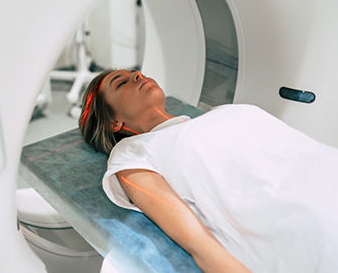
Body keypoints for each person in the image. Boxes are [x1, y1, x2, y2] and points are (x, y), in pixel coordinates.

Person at [78, 69, 338, 273]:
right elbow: (197, 241)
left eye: (136, 72)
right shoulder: (133, 153)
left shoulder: (224, 112)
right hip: (307, 219)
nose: (138, 75)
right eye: (121, 83)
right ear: (114, 122)